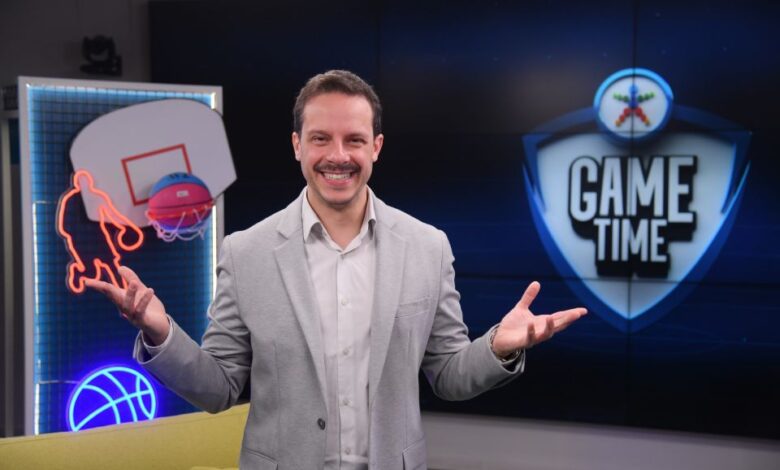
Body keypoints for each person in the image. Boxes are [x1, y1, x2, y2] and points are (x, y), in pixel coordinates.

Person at [86, 70, 587, 470]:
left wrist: (498, 347)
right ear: (297, 145)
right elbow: (219, 388)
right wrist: (160, 333)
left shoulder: (427, 247)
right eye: (321, 138)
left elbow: (448, 376)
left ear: (376, 147)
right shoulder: (246, 252)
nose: (338, 156)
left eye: (354, 140)